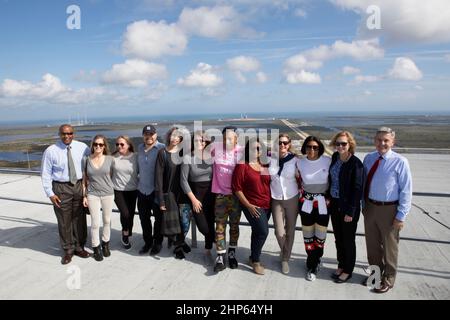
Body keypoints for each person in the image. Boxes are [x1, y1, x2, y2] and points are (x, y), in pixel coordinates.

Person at [362, 127, 412, 293]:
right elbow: (363, 184)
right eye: (378, 140)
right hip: (370, 207)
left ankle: (389, 279)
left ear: (393, 142)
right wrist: (364, 206)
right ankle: (375, 275)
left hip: (389, 209)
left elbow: (406, 190)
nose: (382, 143)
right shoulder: (368, 158)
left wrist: (401, 215)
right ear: (374, 141)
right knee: (372, 246)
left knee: (390, 248)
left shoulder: (400, 161)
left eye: (386, 140)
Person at [41, 124, 91, 265]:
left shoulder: (83, 147)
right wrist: (50, 193)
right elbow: (45, 174)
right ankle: (68, 250)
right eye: (64, 133)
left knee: (79, 218)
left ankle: (79, 246)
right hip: (61, 187)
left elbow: (90, 166)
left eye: (69, 133)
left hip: (79, 186)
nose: (67, 136)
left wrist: (87, 189)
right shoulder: (51, 151)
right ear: (59, 134)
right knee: (64, 220)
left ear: (73, 134)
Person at [328, 131, 364, 283]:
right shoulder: (335, 157)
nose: (341, 146)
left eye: (344, 143)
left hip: (348, 207)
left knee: (348, 240)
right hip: (335, 204)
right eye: (338, 143)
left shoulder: (356, 164)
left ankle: (348, 270)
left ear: (350, 145)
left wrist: (351, 211)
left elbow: (357, 190)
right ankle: (341, 264)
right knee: (338, 238)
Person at [232, 138, 271, 275]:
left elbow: (266, 184)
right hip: (253, 205)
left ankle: (252, 257)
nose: (256, 151)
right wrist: (248, 206)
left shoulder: (264, 164)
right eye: (253, 148)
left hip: (267, 204)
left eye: (259, 148)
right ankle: (255, 261)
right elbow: (237, 189)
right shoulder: (242, 165)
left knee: (257, 232)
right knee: (263, 232)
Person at [297, 136, 331, 281]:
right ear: (305, 147)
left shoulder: (327, 161)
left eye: (315, 147)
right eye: (309, 146)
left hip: (323, 203)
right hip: (306, 203)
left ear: (320, 148)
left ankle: (316, 259)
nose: (312, 150)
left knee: (320, 235)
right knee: (308, 234)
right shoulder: (299, 162)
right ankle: (312, 262)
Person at [211, 126, 243, 272]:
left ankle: (232, 252)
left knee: (234, 225)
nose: (227, 140)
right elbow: (197, 149)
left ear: (236, 138)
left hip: (236, 196)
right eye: (225, 138)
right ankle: (220, 255)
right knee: (220, 227)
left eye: (231, 138)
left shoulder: (242, 151)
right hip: (220, 195)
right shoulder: (215, 148)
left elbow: (261, 155)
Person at [155, 127, 189, 259]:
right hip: (169, 194)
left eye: (178, 136)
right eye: (173, 135)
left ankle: (180, 241)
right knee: (174, 223)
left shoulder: (183, 153)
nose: (175, 138)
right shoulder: (162, 153)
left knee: (184, 222)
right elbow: (158, 178)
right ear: (168, 136)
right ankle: (178, 247)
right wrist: (161, 199)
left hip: (183, 193)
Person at [180, 131, 215, 258]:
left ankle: (208, 247)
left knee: (211, 222)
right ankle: (215, 239)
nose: (200, 143)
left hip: (212, 195)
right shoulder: (188, 158)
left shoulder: (211, 157)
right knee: (204, 227)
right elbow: (183, 181)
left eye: (203, 140)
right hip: (197, 197)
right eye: (197, 140)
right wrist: (193, 200)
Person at [269, 134, 299, 275]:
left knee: (290, 230)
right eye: (280, 143)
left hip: (292, 198)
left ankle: (285, 259)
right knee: (279, 231)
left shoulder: (295, 160)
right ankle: (285, 252)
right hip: (275, 198)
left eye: (285, 143)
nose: (282, 145)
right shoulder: (270, 159)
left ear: (289, 144)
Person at [82, 135, 114, 262]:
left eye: (101, 144)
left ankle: (105, 243)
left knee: (107, 220)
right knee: (95, 222)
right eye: (96, 144)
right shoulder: (86, 160)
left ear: (104, 146)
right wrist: (84, 195)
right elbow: (84, 180)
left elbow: (114, 175)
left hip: (108, 193)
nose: (98, 146)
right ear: (92, 145)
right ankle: (96, 247)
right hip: (92, 194)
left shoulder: (110, 159)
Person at [137, 124, 165, 255]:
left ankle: (157, 243)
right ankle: (147, 242)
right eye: (146, 134)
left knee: (158, 220)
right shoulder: (140, 148)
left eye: (151, 134)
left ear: (156, 135)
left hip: (156, 191)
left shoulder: (162, 149)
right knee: (144, 219)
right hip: (142, 190)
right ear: (143, 135)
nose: (148, 137)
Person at [112, 135, 138, 250]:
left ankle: (127, 232)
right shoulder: (112, 158)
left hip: (133, 190)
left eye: (122, 144)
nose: (119, 146)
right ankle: (125, 234)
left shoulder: (136, 157)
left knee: (130, 215)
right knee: (125, 213)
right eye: (117, 144)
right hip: (118, 190)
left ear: (128, 145)